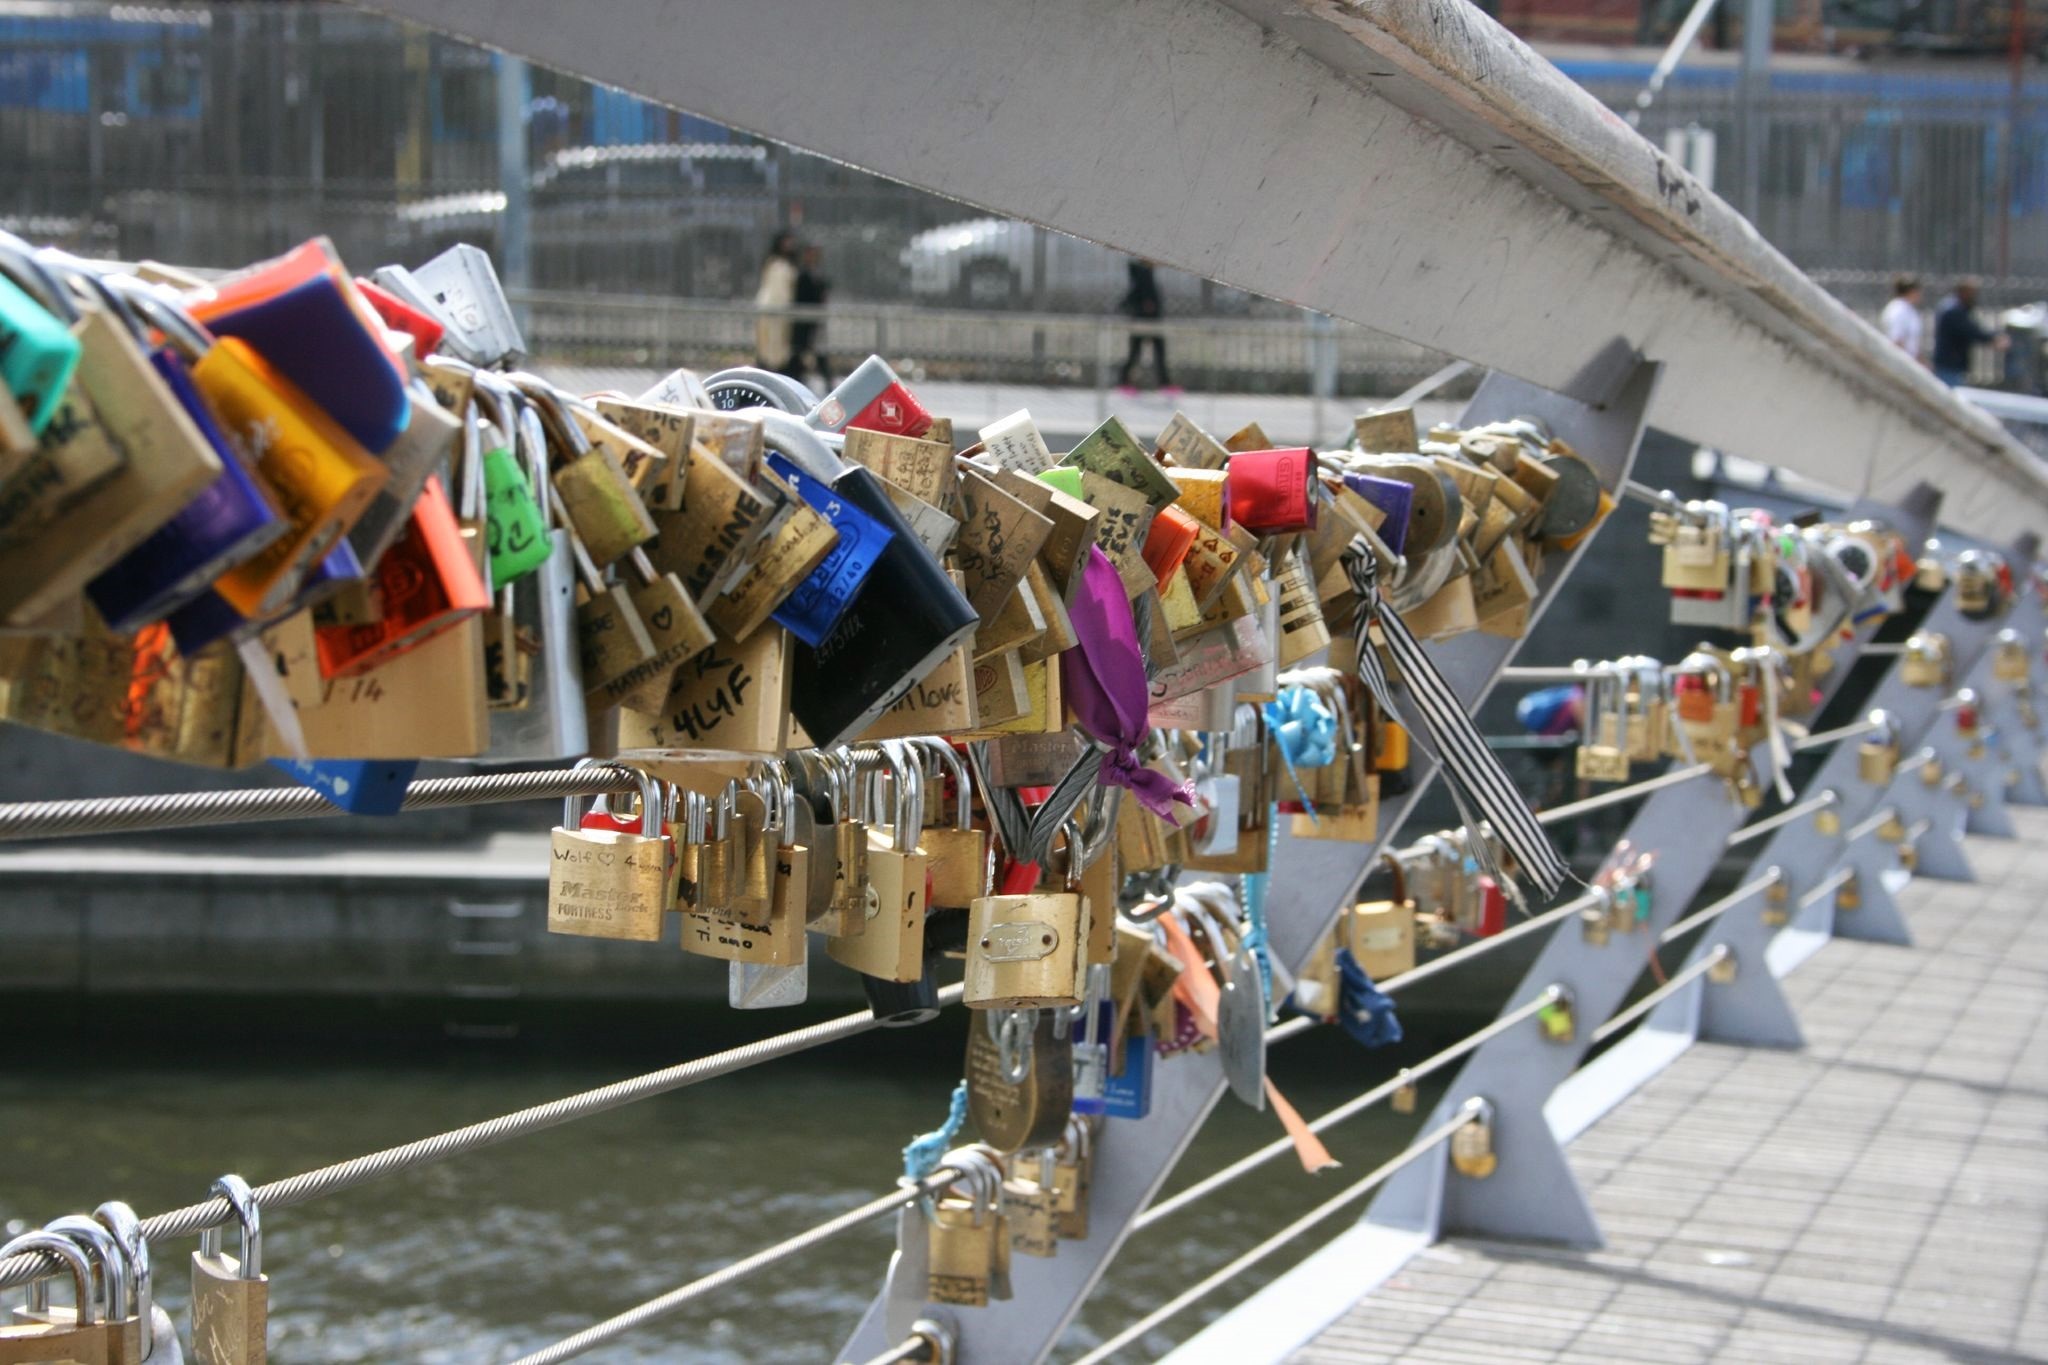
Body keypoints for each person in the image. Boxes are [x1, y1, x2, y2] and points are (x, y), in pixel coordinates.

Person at [1117, 258, 1180, 396]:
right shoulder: (1143, 274)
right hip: (1145, 320)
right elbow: (1140, 294)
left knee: (1149, 350)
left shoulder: (1144, 273)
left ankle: (1164, 383)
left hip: (1147, 319)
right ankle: (1125, 381)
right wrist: (1146, 305)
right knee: (1140, 350)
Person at [1931, 277, 2007, 387]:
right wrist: (1994, 339)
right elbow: (1971, 330)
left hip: (1950, 363)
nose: (1974, 297)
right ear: (1963, 293)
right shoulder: (1954, 311)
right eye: (1972, 293)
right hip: (1950, 364)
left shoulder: (1953, 306)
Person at [753, 231, 800, 378]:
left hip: (783, 311)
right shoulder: (774, 264)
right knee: (770, 343)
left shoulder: (789, 264)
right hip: (771, 308)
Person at [791, 244, 832, 387]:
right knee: (800, 357)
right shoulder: (802, 274)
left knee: (819, 356)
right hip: (803, 322)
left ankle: (828, 384)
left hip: (815, 321)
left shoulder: (818, 273)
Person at [1880, 275, 1924, 363]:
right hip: (1902, 362)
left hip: (1911, 361)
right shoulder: (1898, 310)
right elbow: (1897, 339)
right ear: (1911, 291)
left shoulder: (1908, 309)